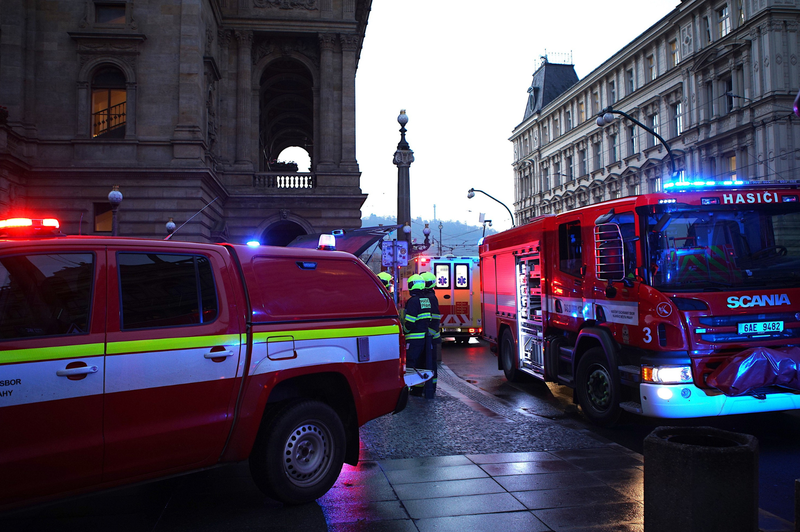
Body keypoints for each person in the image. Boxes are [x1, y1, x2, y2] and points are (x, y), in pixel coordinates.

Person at [403, 274, 431, 397]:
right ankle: (418, 389)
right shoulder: (425, 299)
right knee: (420, 363)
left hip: (413, 338)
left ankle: (408, 389)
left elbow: (409, 322)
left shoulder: (413, 301)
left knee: (409, 363)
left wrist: (404, 331)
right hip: (423, 337)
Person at [420, 271, 440, 397]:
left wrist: (429, 335)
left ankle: (430, 388)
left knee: (430, 363)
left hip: (430, 338)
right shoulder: (429, 296)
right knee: (427, 362)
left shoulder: (430, 298)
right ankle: (427, 387)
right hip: (428, 337)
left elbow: (435, 319)